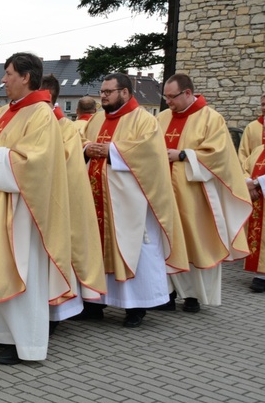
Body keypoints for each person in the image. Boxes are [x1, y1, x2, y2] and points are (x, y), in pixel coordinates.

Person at [0, 53, 72, 365]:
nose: (3, 80)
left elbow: (37, 162)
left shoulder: (41, 114)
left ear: (26, 77)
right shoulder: (5, 113)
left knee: (23, 271)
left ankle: (26, 343)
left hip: (23, 212)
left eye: (8, 74)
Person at [82, 72, 188, 328]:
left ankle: (136, 308)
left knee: (135, 251)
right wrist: (86, 148)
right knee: (96, 247)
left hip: (130, 204)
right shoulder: (97, 118)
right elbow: (82, 139)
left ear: (125, 93)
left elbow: (150, 154)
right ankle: (95, 304)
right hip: (97, 197)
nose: (103, 96)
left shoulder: (144, 120)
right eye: (102, 92)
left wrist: (112, 151)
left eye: (109, 92)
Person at [158, 74, 251, 311]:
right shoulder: (162, 118)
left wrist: (182, 155)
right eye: (165, 96)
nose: (168, 101)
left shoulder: (211, 118)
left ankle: (193, 297)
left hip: (195, 197)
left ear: (188, 93)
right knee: (163, 241)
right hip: (163, 195)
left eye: (172, 96)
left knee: (196, 243)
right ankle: (165, 294)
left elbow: (219, 156)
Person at [40, 75, 105, 330]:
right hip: (32, 201)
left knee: (57, 255)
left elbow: (62, 165)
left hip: (55, 203)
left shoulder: (64, 127)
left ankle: (56, 313)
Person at [242, 144, 265, 291]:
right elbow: (244, 169)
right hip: (257, 201)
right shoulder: (258, 149)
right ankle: (261, 274)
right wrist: (247, 184)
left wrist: (256, 183)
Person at [237, 92, 265, 169]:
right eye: (263, 104)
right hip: (252, 174)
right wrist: (247, 174)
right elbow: (243, 154)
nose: (264, 108)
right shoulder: (251, 128)